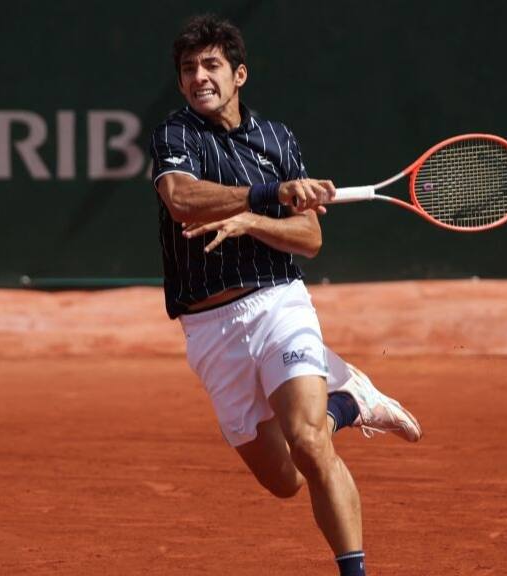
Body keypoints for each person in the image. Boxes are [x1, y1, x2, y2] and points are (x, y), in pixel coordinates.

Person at [150, 14, 422, 576]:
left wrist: (256, 221)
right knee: (284, 480)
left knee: (309, 443)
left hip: (277, 303)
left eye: (212, 65)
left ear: (238, 74)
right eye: (189, 69)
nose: (200, 76)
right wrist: (267, 193)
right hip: (207, 328)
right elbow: (181, 199)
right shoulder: (175, 135)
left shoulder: (277, 139)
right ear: (180, 83)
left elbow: (310, 238)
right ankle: (351, 401)